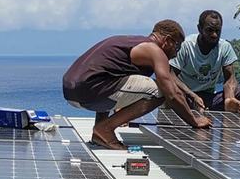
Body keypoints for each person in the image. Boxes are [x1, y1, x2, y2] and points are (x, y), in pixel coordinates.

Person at [63, 20, 211, 149]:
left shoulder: (133, 42)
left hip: (72, 92)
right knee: (160, 91)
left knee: (113, 79)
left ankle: (100, 133)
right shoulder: (154, 50)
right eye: (177, 47)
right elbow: (172, 93)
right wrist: (194, 120)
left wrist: (191, 94)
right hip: (90, 90)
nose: (176, 53)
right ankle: (105, 129)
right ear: (167, 40)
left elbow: (171, 76)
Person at [169, 10, 240, 113]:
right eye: (209, 30)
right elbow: (170, 75)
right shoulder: (186, 46)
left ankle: (231, 112)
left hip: (209, 97)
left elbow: (230, 78)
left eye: (217, 31)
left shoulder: (224, 47)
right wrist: (192, 96)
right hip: (185, 95)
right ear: (200, 29)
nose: (214, 35)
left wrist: (229, 98)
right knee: (169, 92)